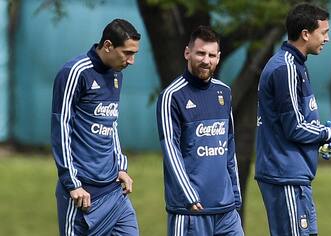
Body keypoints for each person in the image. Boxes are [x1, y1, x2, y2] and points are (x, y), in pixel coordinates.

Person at [255, 3, 331, 236]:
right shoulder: (285, 68)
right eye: (324, 32)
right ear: (306, 34)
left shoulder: (298, 65)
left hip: (294, 174)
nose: (327, 38)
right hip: (284, 174)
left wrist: (323, 141)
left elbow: (295, 122)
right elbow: (294, 127)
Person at [51, 19, 141, 236]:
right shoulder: (75, 72)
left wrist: (120, 166)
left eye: (135, 54)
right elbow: (61, 127)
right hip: (83, 194)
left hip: (114, 191)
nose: (132, 61)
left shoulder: (117, 74)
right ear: (108, 46)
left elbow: (111, 124)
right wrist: (72, 184)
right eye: (127, 53)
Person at [156, 26, 244, 236]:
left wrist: (235, 192)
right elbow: (170, 148)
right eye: (201, 53)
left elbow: (229, 146)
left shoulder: (224, 91)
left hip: (226, 211)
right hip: (190, 211)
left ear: (219, 57)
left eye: (212, 55)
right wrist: (189, 195)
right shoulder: (172, 96)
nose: (206, 60)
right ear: (188, 53)